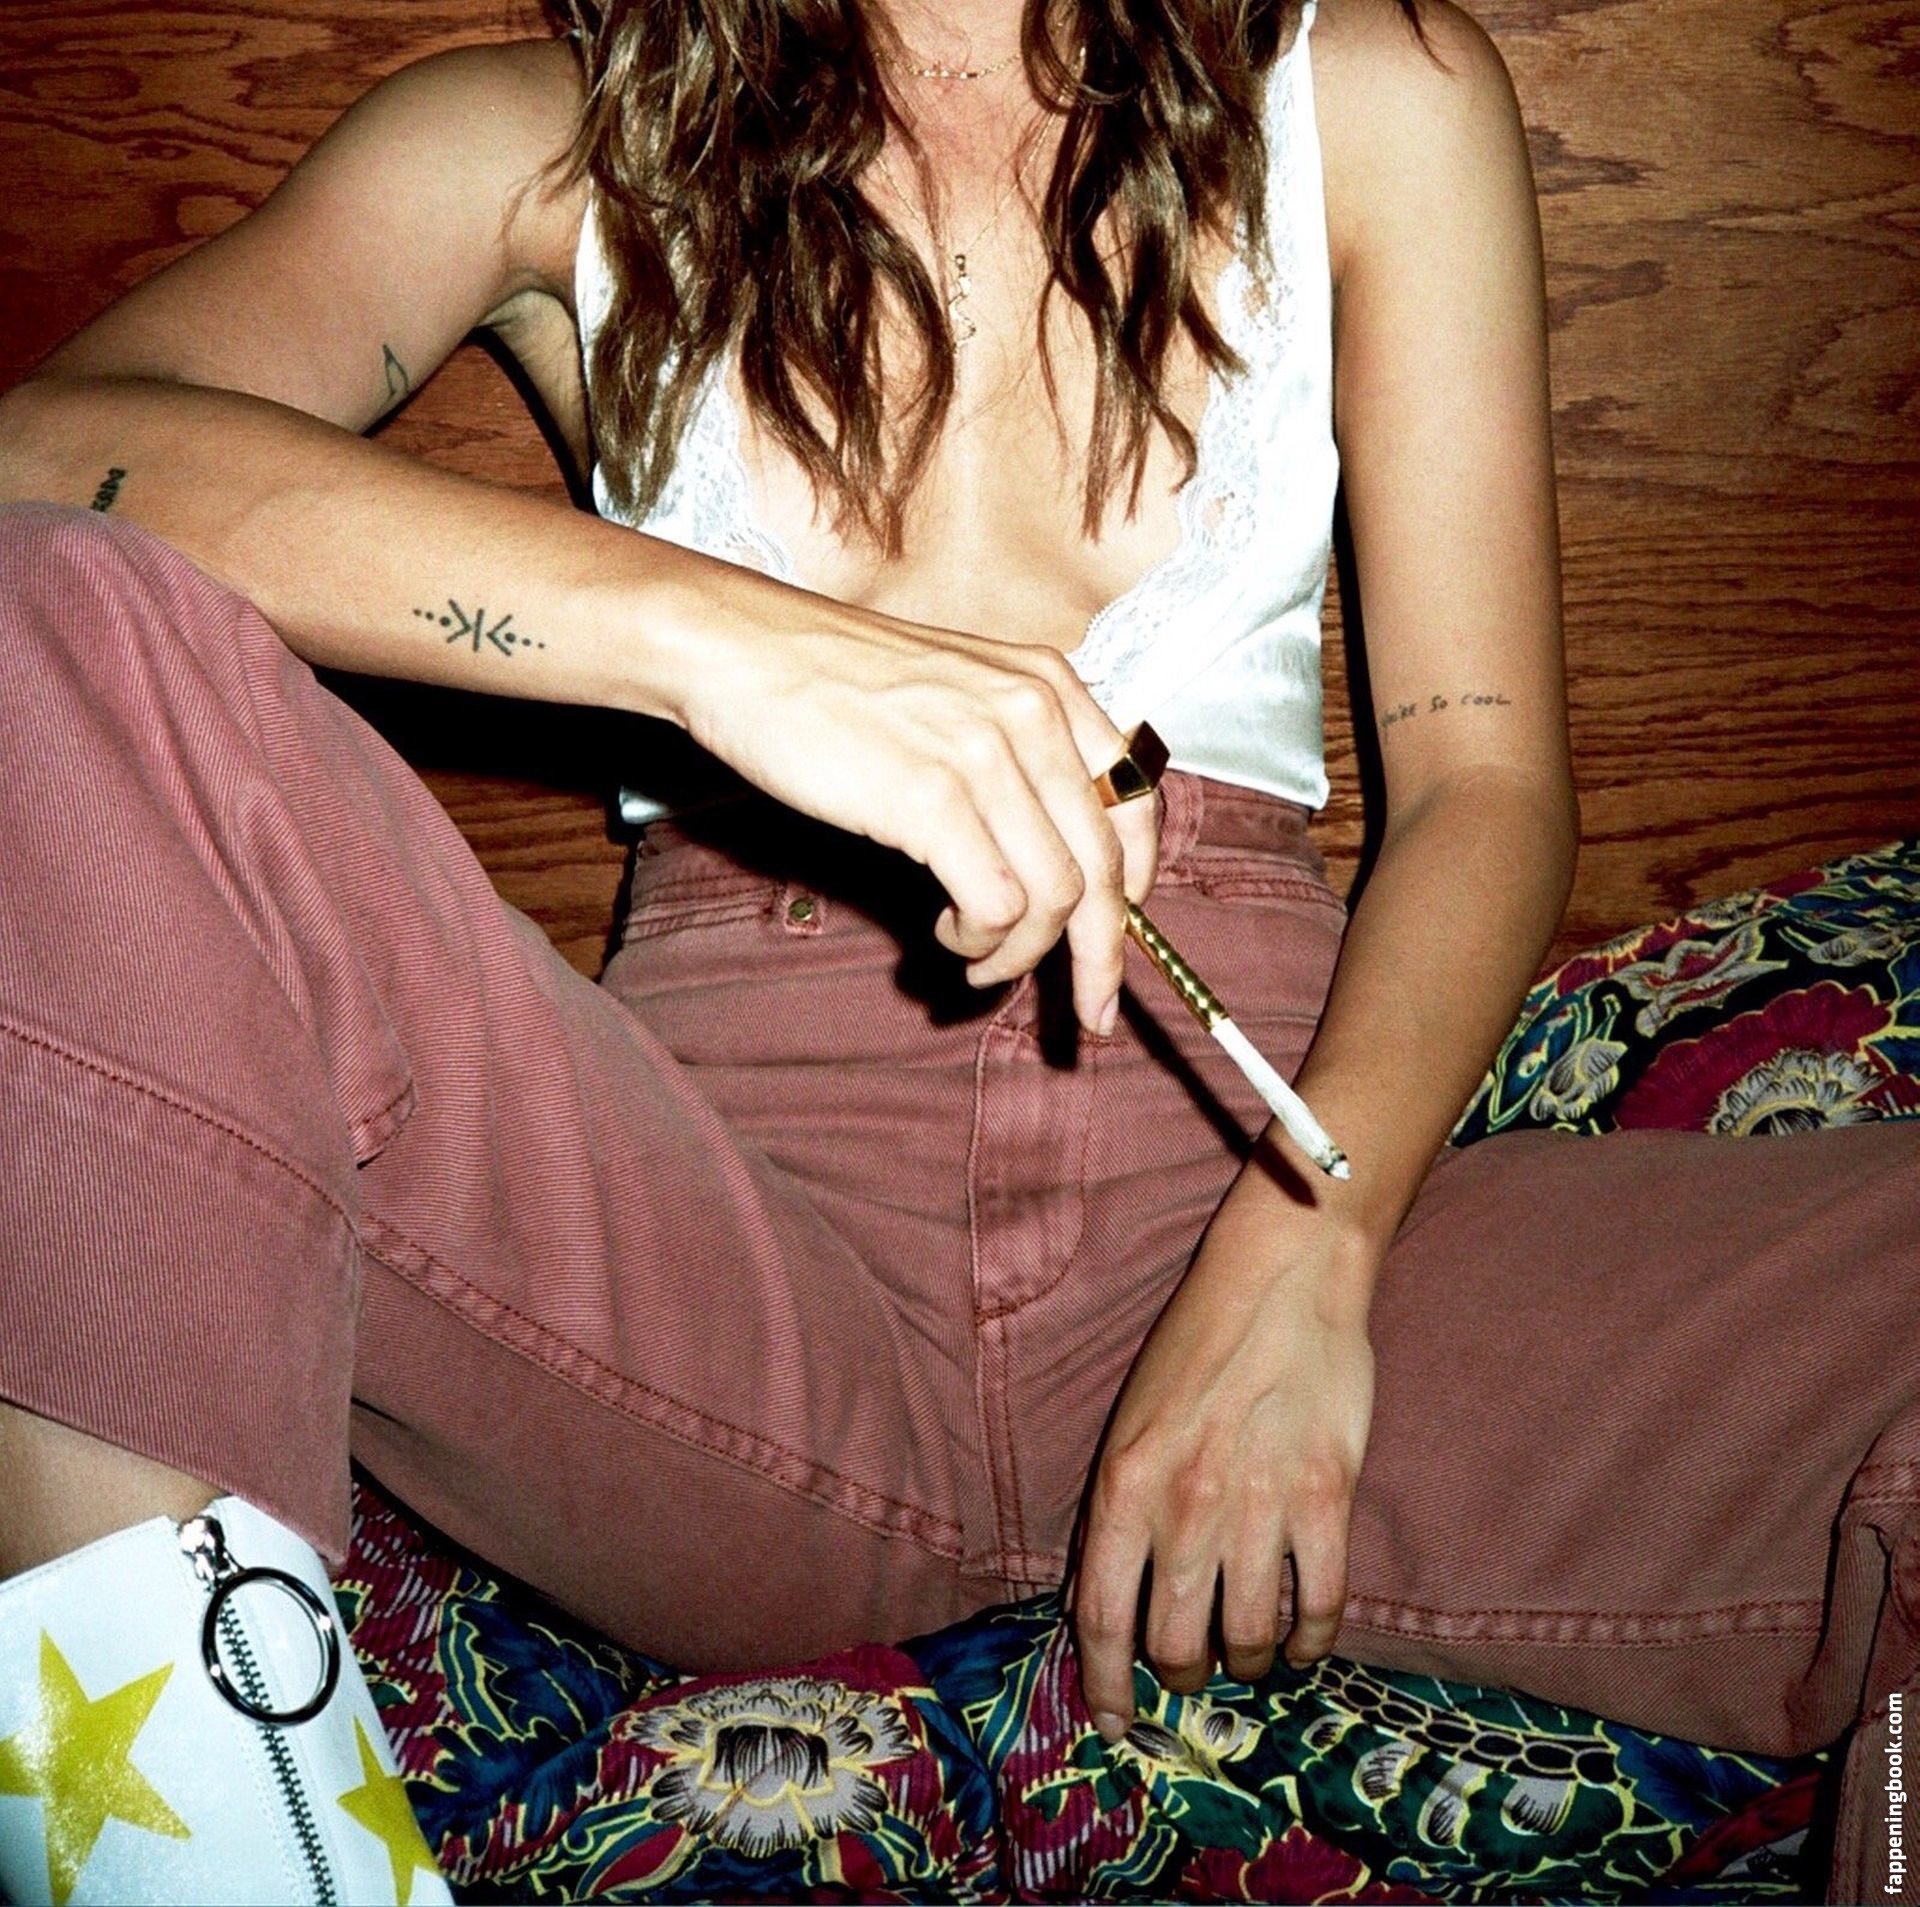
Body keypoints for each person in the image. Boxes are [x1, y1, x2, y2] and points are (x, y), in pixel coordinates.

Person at [0, 0, 1914, 1898]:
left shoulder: (1376, 92)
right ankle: (227, 1857)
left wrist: (1302, 1258)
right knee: (46, 636)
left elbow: (1487, 787)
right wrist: (731, 643)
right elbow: (38, 462)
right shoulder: (538, 138)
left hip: (1258, 1211)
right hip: (724, 1299)